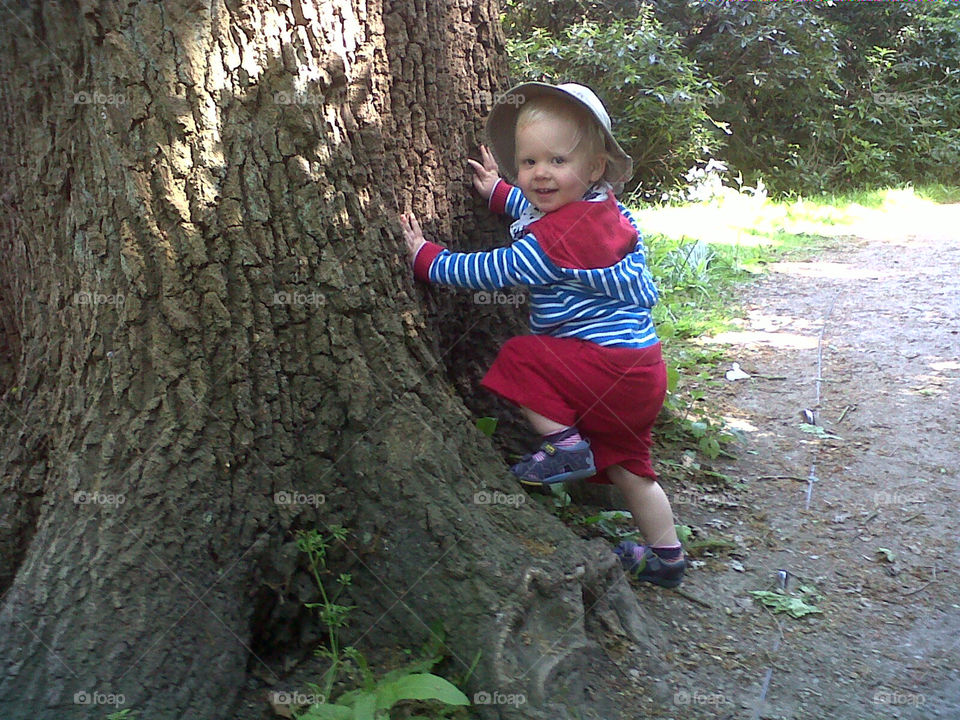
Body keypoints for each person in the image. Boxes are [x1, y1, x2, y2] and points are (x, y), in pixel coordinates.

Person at [399, 82, 685, 588]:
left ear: (595, 167)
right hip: (641, 370)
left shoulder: (556, 240)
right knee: (630, 467)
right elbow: (547, 212)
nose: (540, 174)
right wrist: (499, 193)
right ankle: (666, 558)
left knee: (521, 355)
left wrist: (425, 256)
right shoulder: (605, 212)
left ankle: (565, 447)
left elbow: (494, 270)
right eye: (528, 163)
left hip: (607, 365)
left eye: (557, 160)